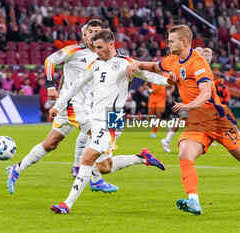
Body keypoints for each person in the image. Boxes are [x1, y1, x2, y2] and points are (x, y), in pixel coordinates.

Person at [127, 24, 240, 216]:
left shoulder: (198, 63)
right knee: (185, 154)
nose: (168, 44)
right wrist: (137, 64)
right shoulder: (173, 60)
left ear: (183, 42)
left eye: (171, 41)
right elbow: (155, 66)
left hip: (217, 119)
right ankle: (194, 201)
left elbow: (206, 92)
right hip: (197, 122)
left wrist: (188, 106)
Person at [49, 29, 169, 214]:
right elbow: (75, 86)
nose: (96, 51)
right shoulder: (95, 65)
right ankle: (142, 157)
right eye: (94, 47)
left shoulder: (125, 63)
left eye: (99, 47)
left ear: (111, 44)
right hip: (95, 119)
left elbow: (151, 77)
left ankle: (67, 204)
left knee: (87, 157)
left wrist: (173, 80)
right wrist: (59, 105)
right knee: (104, 167)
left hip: (112, 118)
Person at [6, 20, 120, 195]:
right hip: (73, 107)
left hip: (82, 107)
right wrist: (50, 86)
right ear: (84, 35)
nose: (93, 34)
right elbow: (50, 60)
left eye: (97, 31)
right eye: (90, 31)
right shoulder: (74, 51)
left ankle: (16, 169)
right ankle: (96, 179)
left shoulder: (102, 56)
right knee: (99, 136)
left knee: (50, 144)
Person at [161, 47, 214, 153]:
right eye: (203, 54)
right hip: (192, 100)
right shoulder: (194, 65)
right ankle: (167, 139)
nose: (204, 56)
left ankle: (205, 139)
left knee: (199, 120)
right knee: (184, 120)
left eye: (207, 55)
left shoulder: (204, 66)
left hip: (199, 101)